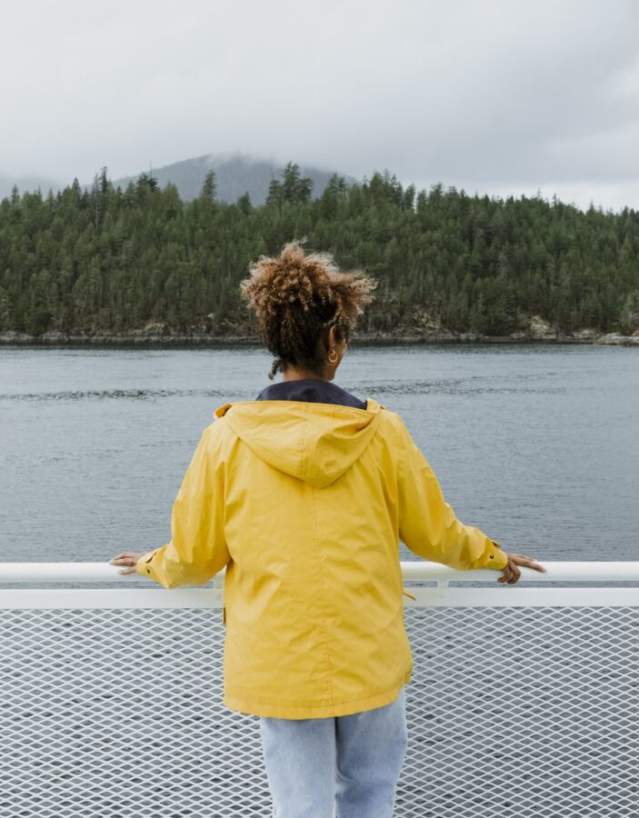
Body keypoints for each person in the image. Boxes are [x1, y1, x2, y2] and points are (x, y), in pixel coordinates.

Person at [111, 240, 546, 818]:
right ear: (335, 341)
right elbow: (436, 534)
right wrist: (494, 557)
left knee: (301, 808)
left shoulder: (226, 437)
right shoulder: (381, 432)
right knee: (370, 796)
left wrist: (148, 563)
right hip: (368, 646)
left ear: (273, 343)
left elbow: (193, 558)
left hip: (277, 655)